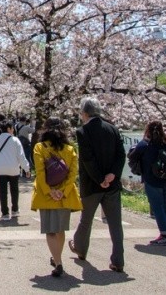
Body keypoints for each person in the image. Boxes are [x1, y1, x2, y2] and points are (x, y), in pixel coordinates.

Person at [70, 97, 127, 273]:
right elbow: (121, 155)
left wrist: (99, 179)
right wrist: (112, 175)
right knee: (115, 224)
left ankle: (80, 248)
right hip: (112, 185)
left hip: (92, 185)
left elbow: (87, 159)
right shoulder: (113, 129)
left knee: (86, 220)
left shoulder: (82, 131)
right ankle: (118, 260)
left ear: (85, 113)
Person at [31, 117, 82, 277]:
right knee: (60, 230)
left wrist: (49, 191)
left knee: (50, 231)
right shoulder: (70, 149)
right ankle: (57, 259)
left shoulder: (40, 147)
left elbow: (40, 172)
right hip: (64, 197)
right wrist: (63, 191)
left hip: (46, 197)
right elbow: (73, 174)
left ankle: (58, 261)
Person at [127, 120, 166, 245]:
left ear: (147, 129)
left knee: (157, 206)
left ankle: (165, 234)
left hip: (152, 179)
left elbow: (132, 156)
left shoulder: (145, 144)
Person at [0, 120, 30, 220]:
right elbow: (21, 156)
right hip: (13, 169)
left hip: (0, 169)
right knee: (14, 190)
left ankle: (5, 213)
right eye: (12, 128)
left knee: (2, 192)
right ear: (9, 129)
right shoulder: (15, 140)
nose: (13, 130)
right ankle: (15, 210)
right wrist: (26, 169)